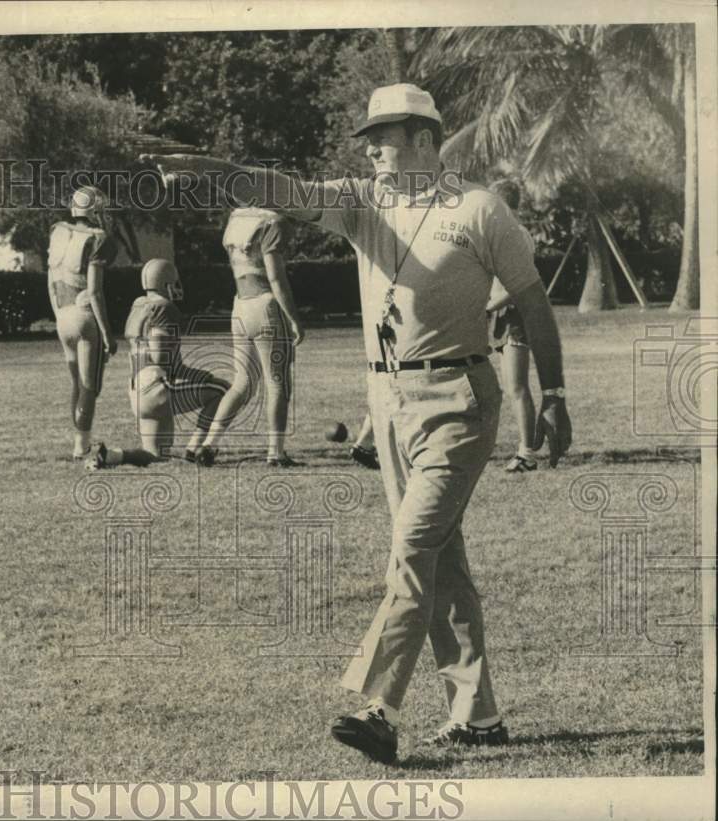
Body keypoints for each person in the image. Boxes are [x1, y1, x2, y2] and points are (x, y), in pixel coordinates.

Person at [144, 82, 571, 764]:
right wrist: (218, 172)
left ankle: (380, 707)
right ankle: (479, 714)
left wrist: (553, 393)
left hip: (459, 400)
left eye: (385, 136)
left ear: (426, 140)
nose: (370, 147)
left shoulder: (480, 209)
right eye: (367, 138)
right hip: (388, 406)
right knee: (441, 560)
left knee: (411, 549)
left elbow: (532, 302)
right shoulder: (361, 199)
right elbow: (284, 189)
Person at [86, 259, 232, 469]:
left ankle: (110, 456)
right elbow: (161, 357)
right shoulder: (164, 308)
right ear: (165, 281)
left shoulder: (139, 305)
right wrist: (203, 376)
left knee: (156, 455)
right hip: (157, 387)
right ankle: (196, 448)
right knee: (223, 389)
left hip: (138, 391)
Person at [189, 207, 304, 468]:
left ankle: (209, 444)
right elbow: (275, 276)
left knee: (242, 383)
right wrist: (294, 318)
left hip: (240, 305)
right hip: (265, 306)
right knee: (278, 383)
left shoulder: (235, 219)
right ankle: (276, 453)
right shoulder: (272, 222)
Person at [47, 186, 118, 460]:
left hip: (62, 315)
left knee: (76, 383)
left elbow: (51, 285)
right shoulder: (98, 238)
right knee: (90, 386)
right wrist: (108, 333)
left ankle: (79, 441)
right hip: (84, 315)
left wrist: (59, 316)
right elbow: (95, 291)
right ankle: (82, 446)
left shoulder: (58, 231)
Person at [485, 179, 540, 473]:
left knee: (517, 388)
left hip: (515, 317)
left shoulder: (516, 235)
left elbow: (519, 285)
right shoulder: (504, 234)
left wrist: (487, 307)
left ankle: (527, 453)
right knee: (510, 388)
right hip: (503, 317)